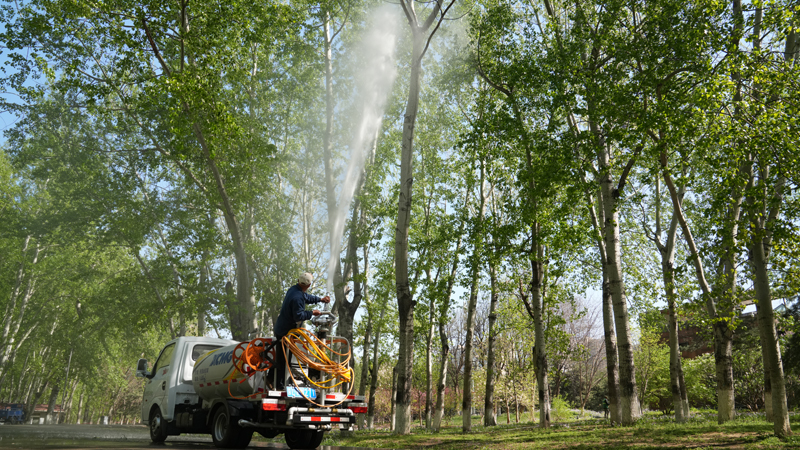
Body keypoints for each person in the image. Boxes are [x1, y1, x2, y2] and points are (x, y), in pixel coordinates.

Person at [270, 272, 330, 389]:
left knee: (282, 357)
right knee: (284, 359)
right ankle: (278, 383)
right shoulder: (297, 297)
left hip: (282, 329)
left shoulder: (294, 290)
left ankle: (271, 379)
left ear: (299, 281)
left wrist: (320, 299)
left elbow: (306, 297)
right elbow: (298, 316)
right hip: (285, 333)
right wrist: (312, 313)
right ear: (308, 285)